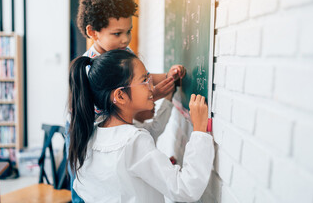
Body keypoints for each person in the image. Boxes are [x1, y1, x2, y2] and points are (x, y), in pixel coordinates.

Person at [66, 0, 185, 202]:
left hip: (108, 123)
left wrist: (168, 76)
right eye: (117, 33)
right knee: (85, 186)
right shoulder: (92, 67)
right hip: (86, 125)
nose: (125, 39)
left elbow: (145, 76)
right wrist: (153, 94)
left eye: (128, 31)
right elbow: (108, 105)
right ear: (93, 32)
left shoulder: (121, 52)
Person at [68, 50, 214, 203]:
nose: (152, 87)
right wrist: (199, 131)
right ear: (120, 96)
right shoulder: (133, 140)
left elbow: (153, 130)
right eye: (145, 80)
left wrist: (169, 98)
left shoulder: (90, 134)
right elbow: (185, 189)